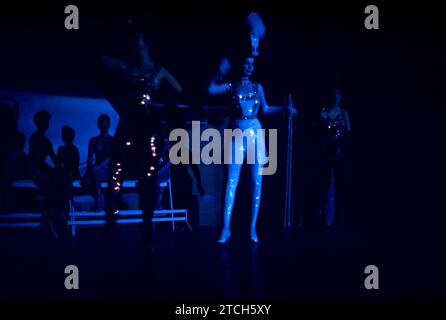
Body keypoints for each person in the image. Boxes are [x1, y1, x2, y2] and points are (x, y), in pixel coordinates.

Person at [101, 31, 183, 250]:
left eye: (137, 38)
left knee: (149, 174)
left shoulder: (159, 70)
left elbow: (179, 92)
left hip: (148, 125)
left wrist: (164, 114)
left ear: (146, 43)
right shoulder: (125, 65)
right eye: (132, 39)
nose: (133, 42)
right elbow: (101, 59)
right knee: (115, 169)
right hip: (128, 122)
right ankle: (112, 220)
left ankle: (147, 223)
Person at [208, 55, 295, 244]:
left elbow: (265, 109)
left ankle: (252, 228)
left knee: (256, 181)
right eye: (246, 63)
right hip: (236, 132)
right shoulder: (231, 85)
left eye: (252, 64)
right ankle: (225, 228)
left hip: (255, 132)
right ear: (240, 65)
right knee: (231, 181)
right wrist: (218, 73)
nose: (249, 67)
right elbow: (211, 89)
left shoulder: (257, 86)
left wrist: (284, 109)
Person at [319, 88, 351, 228]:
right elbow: (323, 125)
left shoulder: (344, 112)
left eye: (338, 93)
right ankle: (324, 214)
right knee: (325, 180)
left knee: (341, 180)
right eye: (334, 93)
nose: (336, 96)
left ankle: (339, 214)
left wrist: (338, 124)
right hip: (327, 149)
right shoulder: (325, 110)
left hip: (340, 149)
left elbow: (348, 128)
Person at [85, 114, 113, 211]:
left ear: (109, 125)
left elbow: (112, 157)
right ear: (98, 125)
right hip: (96, 170)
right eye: (102, 124)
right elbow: (89, 158)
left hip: (108, 169)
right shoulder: (93, 140)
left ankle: (99, 200)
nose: (104, 126)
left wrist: (99, 166)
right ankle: (100, 198)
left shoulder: (112, 141)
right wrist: (89, 170)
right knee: (87, 178)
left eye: (106, 124)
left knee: (95, 171)